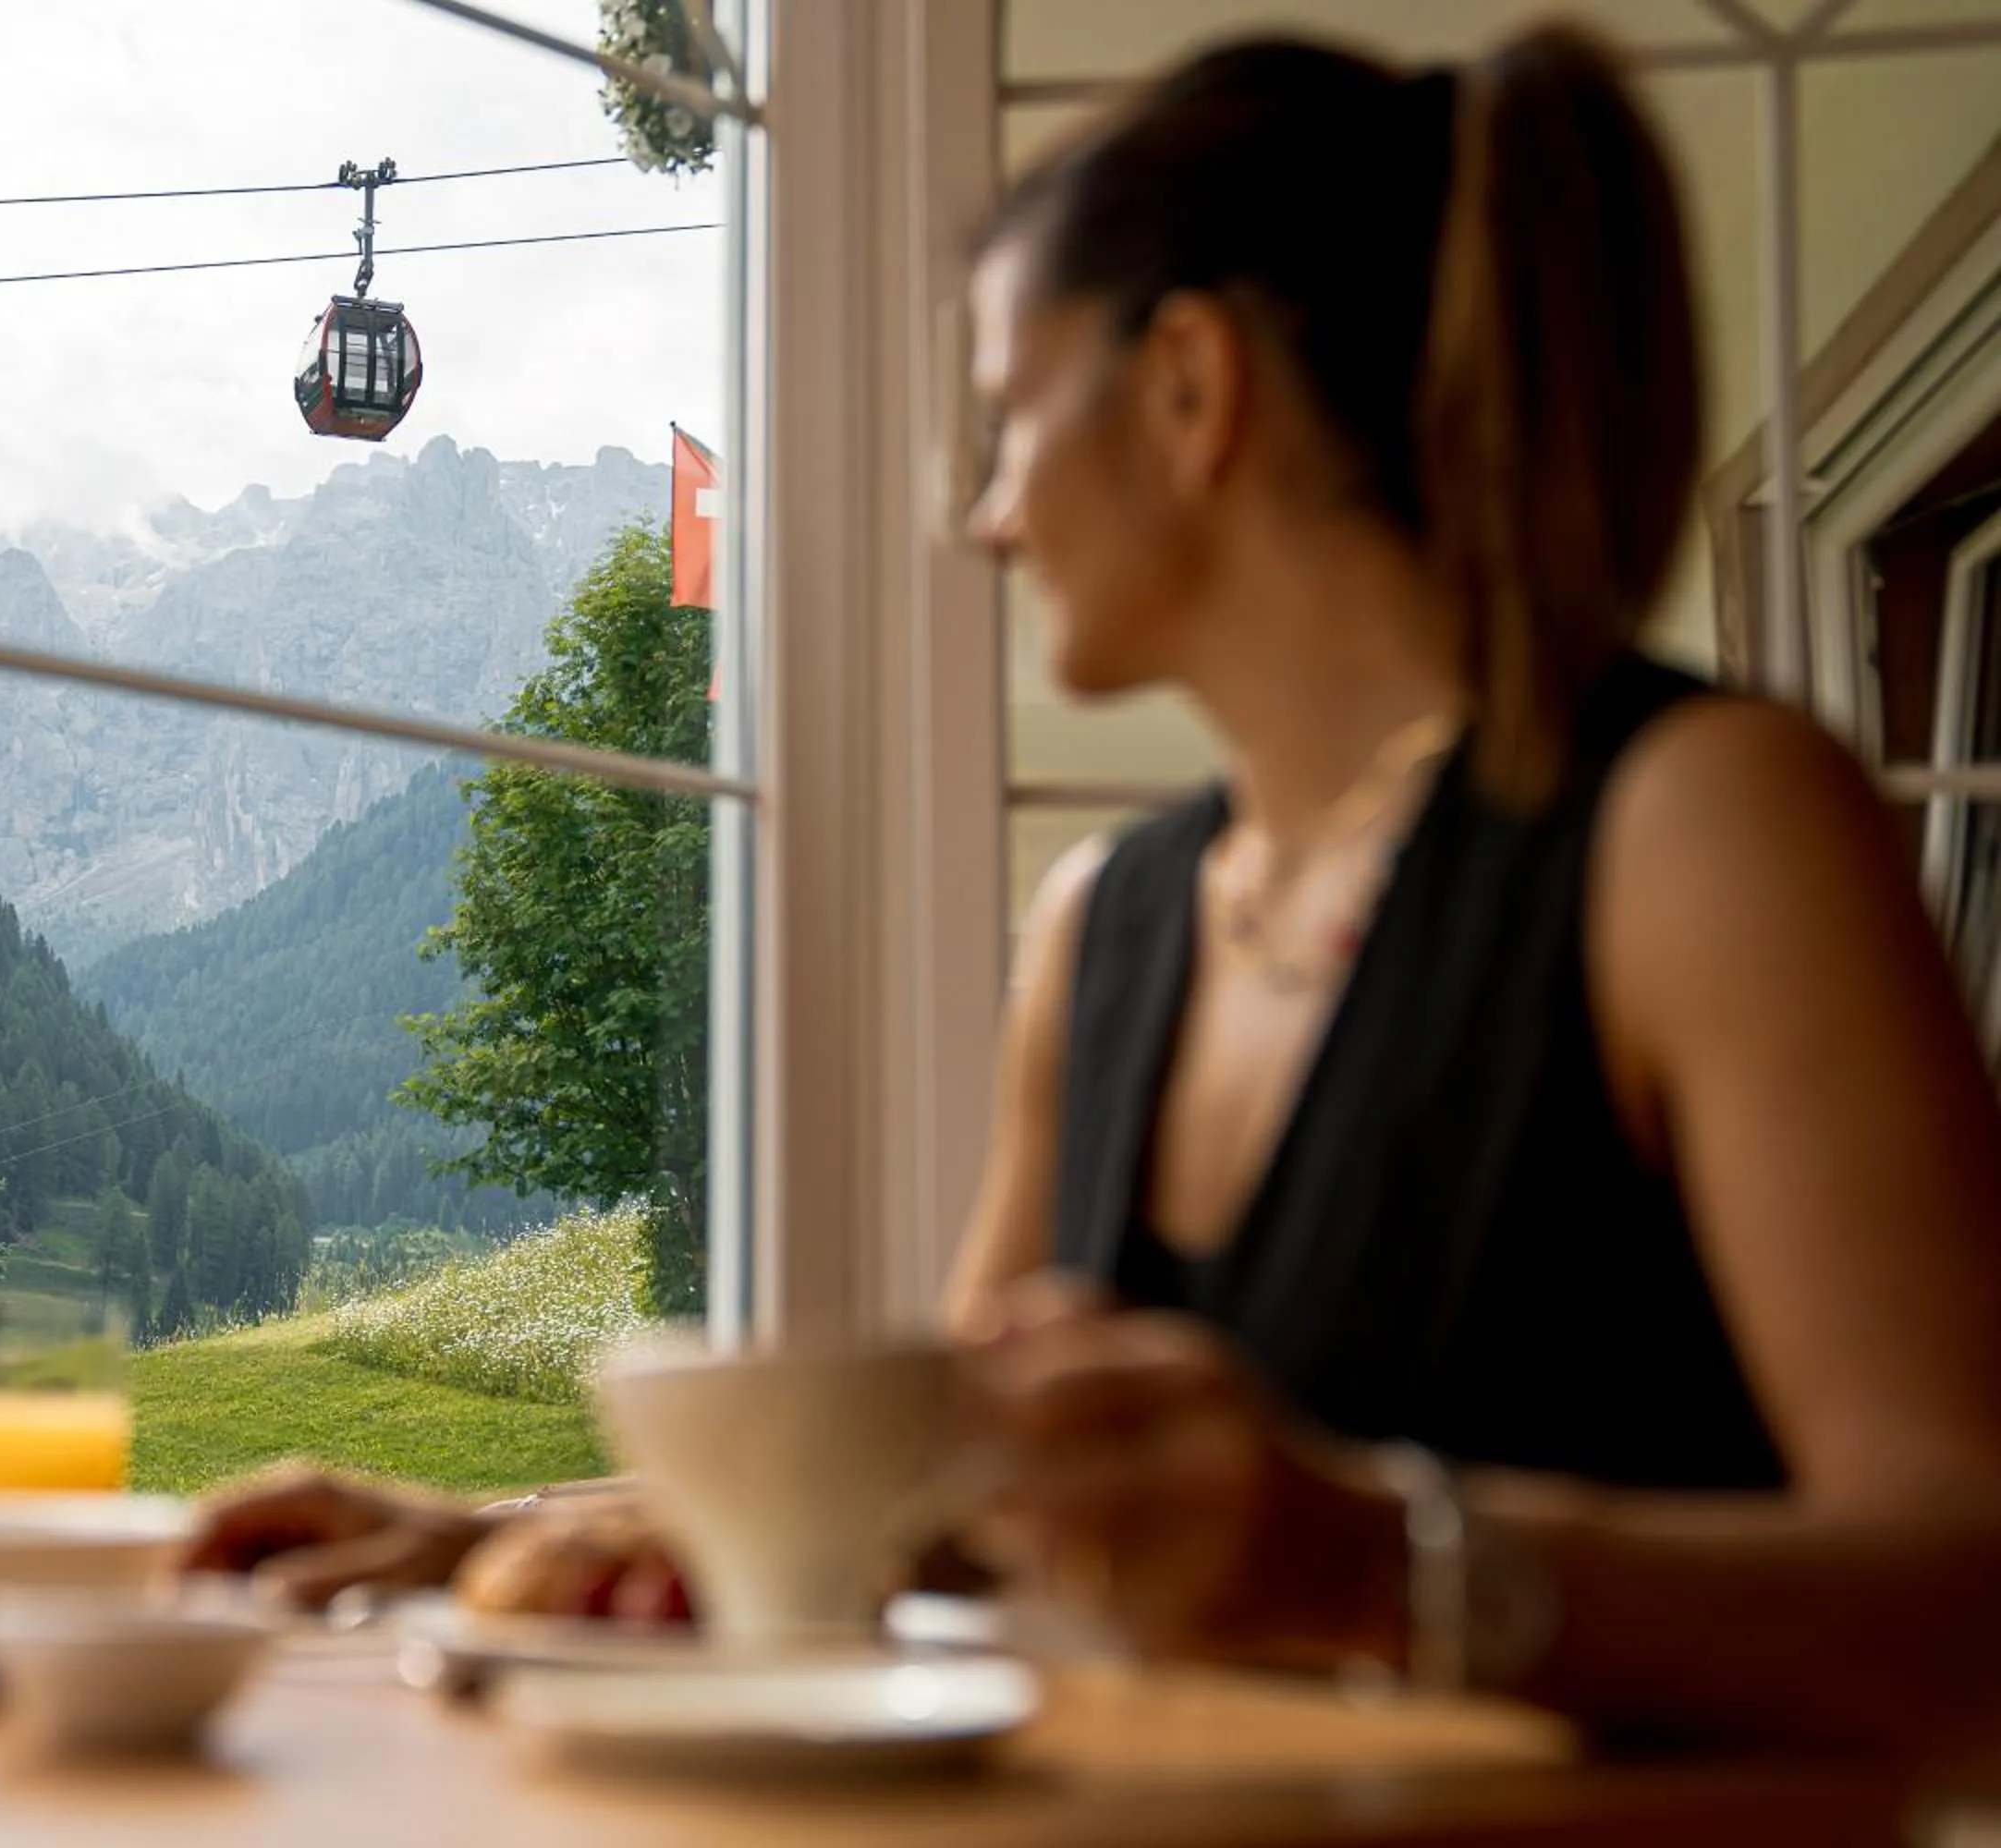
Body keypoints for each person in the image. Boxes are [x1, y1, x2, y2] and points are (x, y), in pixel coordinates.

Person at [186, 22, 2001, 1749]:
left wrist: (1379, 1560)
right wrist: (489, 1531)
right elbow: (952, 1488)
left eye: (1006, 417)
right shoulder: (1106, 929)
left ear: (1194, 387)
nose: (984, 515)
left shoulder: (1711, 828)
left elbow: (1968, 1599)